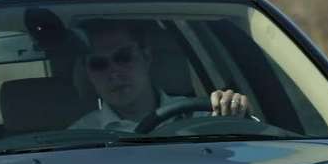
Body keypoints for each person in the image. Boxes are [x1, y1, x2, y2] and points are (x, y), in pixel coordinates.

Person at [71, 22, 249, 132]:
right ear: (88, 74)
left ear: (146, 57)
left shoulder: (204, 117)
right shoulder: (78, 138)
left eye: (123, 57)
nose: (114, 72)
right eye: (99, 64)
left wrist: (233, 112)